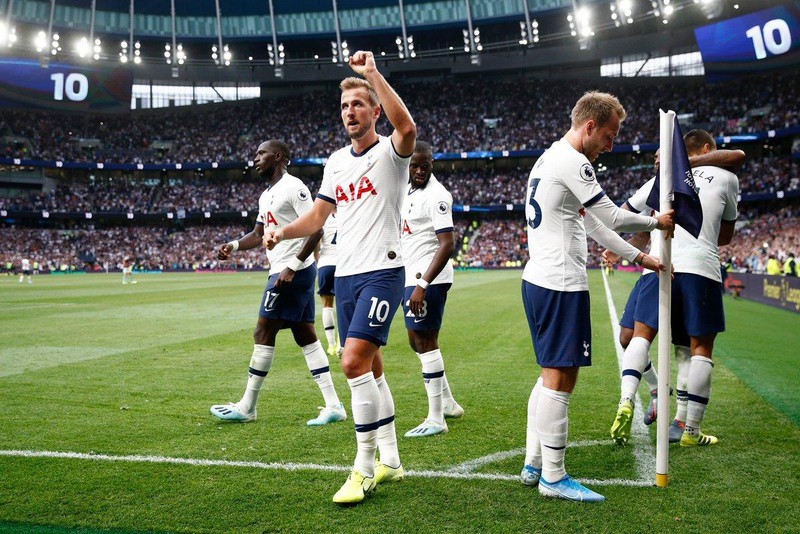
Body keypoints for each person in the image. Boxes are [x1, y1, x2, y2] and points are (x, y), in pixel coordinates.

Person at [262, 51, 416, 505]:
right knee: (371, 367)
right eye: (345, 106)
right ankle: (392, 460)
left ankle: (363, 468)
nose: (350, 112)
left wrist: (371, 75)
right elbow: (318, 216)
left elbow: (408, 127)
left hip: (383, 272)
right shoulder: (335, 162)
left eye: (359, 105)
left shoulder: (391, 153)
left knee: (351, 364)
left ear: (375, 112)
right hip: (346, 274)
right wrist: (282, 232)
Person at [520, 91, 674, 503]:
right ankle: (553, 476)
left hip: (539, 278)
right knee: (560, 376)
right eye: (609, 135)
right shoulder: (574, 162)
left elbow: (593, 225)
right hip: (559, 282)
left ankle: (534, 462)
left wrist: (639, 256)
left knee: (549, 373)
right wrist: (656, 222)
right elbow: (613, 216)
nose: (611, 145)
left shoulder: (549, 158)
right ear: (590, 126)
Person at [609, 129, 740, 448]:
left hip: (661, 265)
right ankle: (690, 428)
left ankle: (627, 398)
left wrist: (626, 244)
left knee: (640, 337)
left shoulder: (662, 178)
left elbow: (626, 216)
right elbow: (725, 237)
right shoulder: (726, 178)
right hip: (701, 268)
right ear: (707, 148)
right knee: (697, 350)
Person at [210, 139, 347, 428]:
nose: (256, 158)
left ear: (279, 156)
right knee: (305, 335)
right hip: (287, 270)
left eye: (262, 153)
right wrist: (233, 246)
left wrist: (293, 266)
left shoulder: (294, 187)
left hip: (291, 271)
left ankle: (248, 406)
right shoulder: (266, 195)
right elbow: (258, 234)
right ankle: (334, 405)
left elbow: (316, 228)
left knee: (263, 331)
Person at [400, 141, 464, 438]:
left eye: (424, 166)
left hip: (427, 278)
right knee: (417, 341)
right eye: (414, 166)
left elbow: (447, 244)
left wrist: (422, 284)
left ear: (432, 164)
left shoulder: (438, 195)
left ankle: (436, 418)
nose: (419, 171)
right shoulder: (407, 190)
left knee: (424, 340)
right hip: (410, 275)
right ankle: (447, 403)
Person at [317, 211, 342, 358]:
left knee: (327, 305)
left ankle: (331, 345)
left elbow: (316, 238)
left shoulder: (323, 216)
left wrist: (318, 259)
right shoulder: (348, 212)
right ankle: (340, 343)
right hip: (343, 263)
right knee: (343, 304)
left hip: (326, 263)